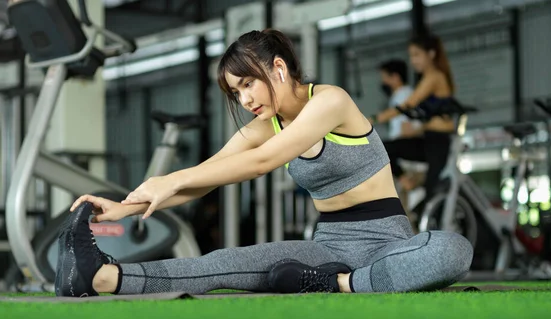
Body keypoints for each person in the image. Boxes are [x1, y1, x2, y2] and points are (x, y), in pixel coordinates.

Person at [55, 29, 473, 298]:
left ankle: (340, 285)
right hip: (327, 247)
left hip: (389, 243)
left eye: (247, 84)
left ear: (278, 68)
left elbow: (263, 162)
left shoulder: (331, 101)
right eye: (236, 93)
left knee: (452, 251)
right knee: (223, 263)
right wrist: (121, 209)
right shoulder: (264, 125)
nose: (245, 100)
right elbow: (206, 179)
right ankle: (102, 277)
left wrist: (172, 176)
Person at [370, 34, 456, 205]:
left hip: (439, 142)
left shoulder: (434, 77)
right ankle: (406, 180)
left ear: (431, 54)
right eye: (411, 56)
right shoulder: (428, 78)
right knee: (386, 149)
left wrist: (373, 119)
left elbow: (408, 105)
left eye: (417, 55)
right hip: (428, 140)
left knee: (431, 195)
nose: (413, 61)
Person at [377, 59, 421, 141]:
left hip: (404, 143)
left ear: (395, 77)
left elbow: (407, 127)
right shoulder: (403, 93)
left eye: (384, 77)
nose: (383, 82)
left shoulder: (402, 95)